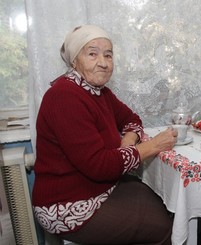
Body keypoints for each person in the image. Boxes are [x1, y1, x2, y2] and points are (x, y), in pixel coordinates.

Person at [32, 24, 178, 245]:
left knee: (162, 201)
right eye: (92, 53)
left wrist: (128, 141)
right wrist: (154, 145)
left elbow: (132, 119)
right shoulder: (64, 97)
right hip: (66, 205)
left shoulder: (100, 93)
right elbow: (99, 166)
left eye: (108, 55)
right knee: (165, 227)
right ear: (74, 61)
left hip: (99, 188)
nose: (103, 62)